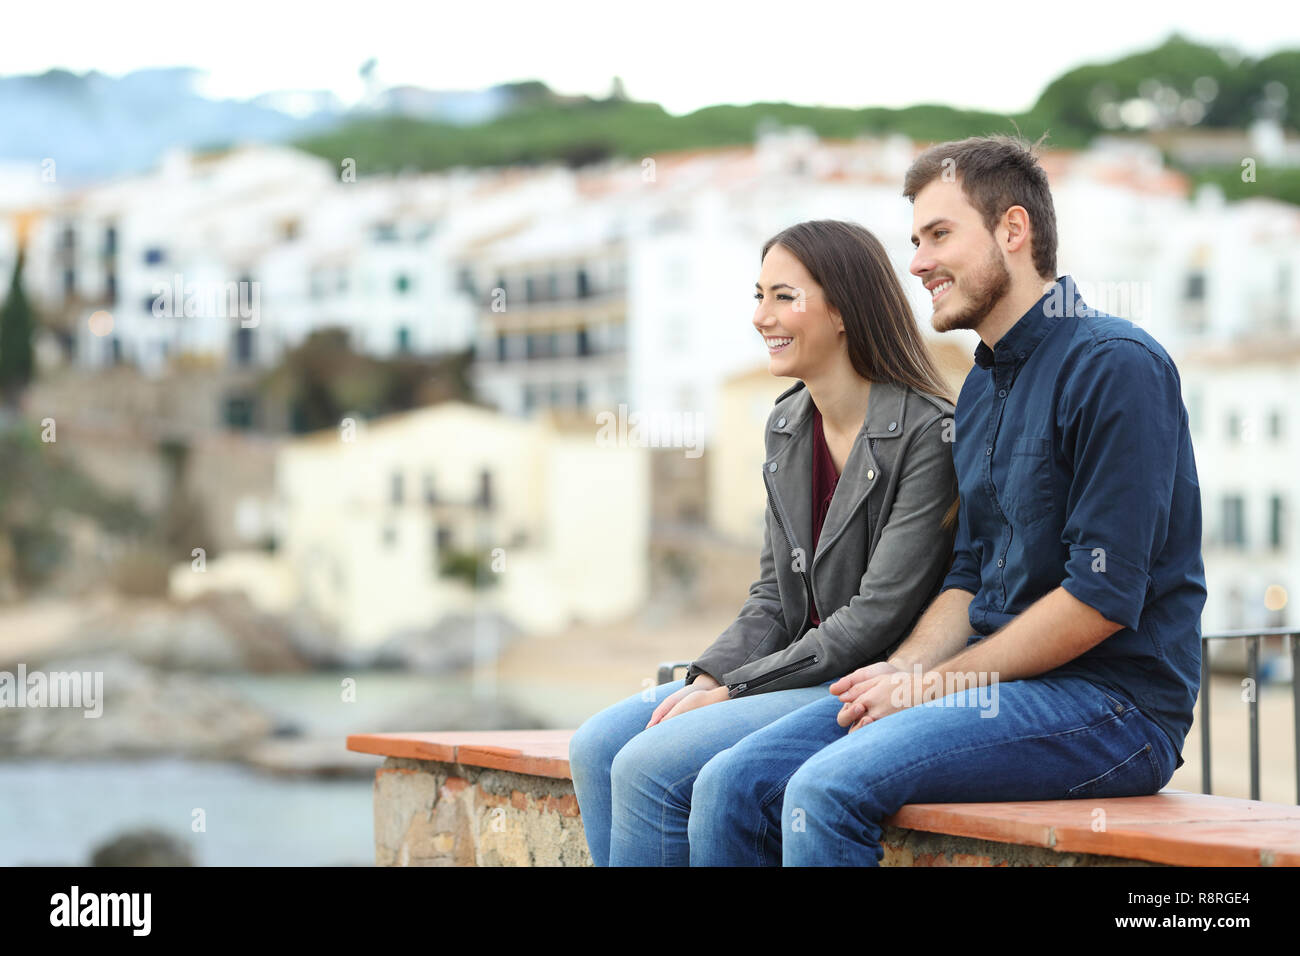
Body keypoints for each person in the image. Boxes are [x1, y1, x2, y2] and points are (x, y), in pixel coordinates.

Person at [686, 133, 1208, 866]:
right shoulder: (981, 389)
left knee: (823, 792)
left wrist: (931, 685)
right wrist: (903, 672)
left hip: (1111, 708)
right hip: (992, 688)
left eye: (938, 235)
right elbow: (968, 577)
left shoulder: (1115, 367)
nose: (918, 262)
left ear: (1013, 231)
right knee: (732, 781)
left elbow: (1100, 597)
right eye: (914, 239)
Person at [567, 219, 961, 866]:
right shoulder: (788, 422)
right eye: (758, 296)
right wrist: (706, 676)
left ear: (843, 311)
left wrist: (733, 691)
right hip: (786, 673)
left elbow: (875, 619)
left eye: (783, 296)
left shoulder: (927, 435)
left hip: (859, 681)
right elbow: (772, 599)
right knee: (594, 745)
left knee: (650, 765)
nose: (760, 316)